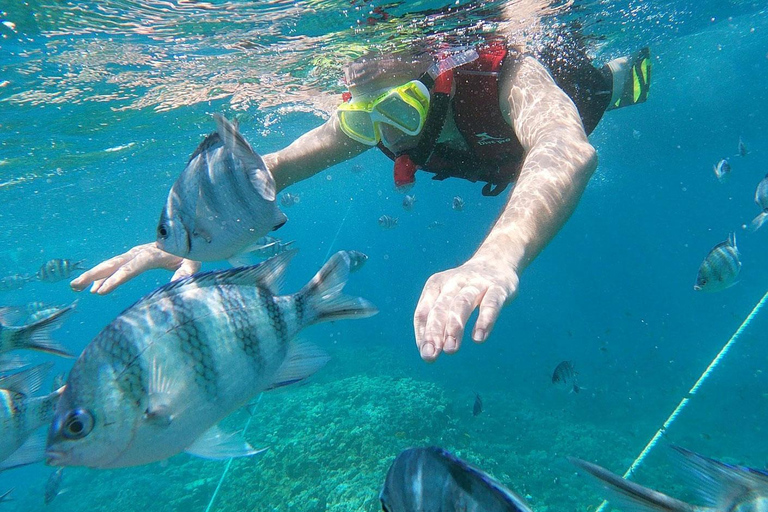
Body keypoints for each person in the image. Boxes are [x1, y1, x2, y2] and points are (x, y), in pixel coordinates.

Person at [70, 35, 651, 363]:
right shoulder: (368, 120)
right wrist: (185, 235)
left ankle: (622, 73)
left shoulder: (509, 76)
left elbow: (563, 150)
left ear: (438, 82)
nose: (388, 133)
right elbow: (270, 168)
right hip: (492, 161)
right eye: (365, 117)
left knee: (607, 85)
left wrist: (494, 259)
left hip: (573, 96)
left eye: (399, 110)